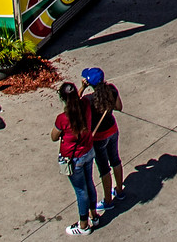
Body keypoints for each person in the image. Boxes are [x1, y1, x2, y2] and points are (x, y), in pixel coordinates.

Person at [52, 83, 98, 236]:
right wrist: (83, 87)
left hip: (73, 159)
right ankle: (94, 215)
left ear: (62, 99)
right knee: (90, 183)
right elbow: (78, 99)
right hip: (88, 151)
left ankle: (83, 225)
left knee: (81, 191)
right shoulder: (85, 104)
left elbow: (54, 137)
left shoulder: (62, 119)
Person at [83, 68, 125, 216]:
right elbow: (119, 107)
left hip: (98, 137)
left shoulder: (88, 100)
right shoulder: (111, 90)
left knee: (104, 169)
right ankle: (119, 191)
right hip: (113, 130)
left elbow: (72, 103)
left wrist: (81, 87)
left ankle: (108, 201)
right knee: (115, 160)